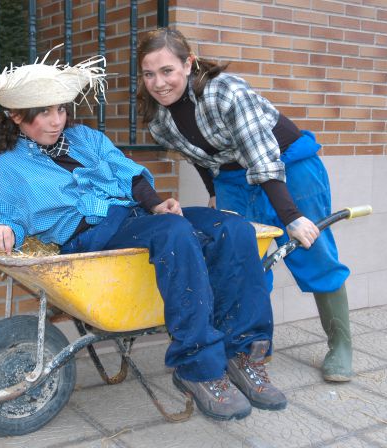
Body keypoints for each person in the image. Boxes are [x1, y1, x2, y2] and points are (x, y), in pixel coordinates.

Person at [0, 49, 287, 421]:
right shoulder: (9, 167)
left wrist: (156, 204)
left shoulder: (85, 139)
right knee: (174, 232)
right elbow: (6, 215)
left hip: (140, 219)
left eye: (60, 109)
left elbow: (129, 172)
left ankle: (242, 355)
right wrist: (2, 230)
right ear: (16, 116)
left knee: (232, 227)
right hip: (92, 237)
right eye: (43, 113)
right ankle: (198, 368)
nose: (56, 120)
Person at [136, 28, 353, 382]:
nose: (158, 83)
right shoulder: (159, 119)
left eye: (167, 71)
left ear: (188, 64)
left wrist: (292, 216)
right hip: (234, 181)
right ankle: (246, 347)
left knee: (313, 251)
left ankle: (341, 345)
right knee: (242, 260)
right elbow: (201, 156)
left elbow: (261, 156)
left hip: (290, 167)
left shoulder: (226, 91)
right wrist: (213, 191)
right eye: (149, 74)